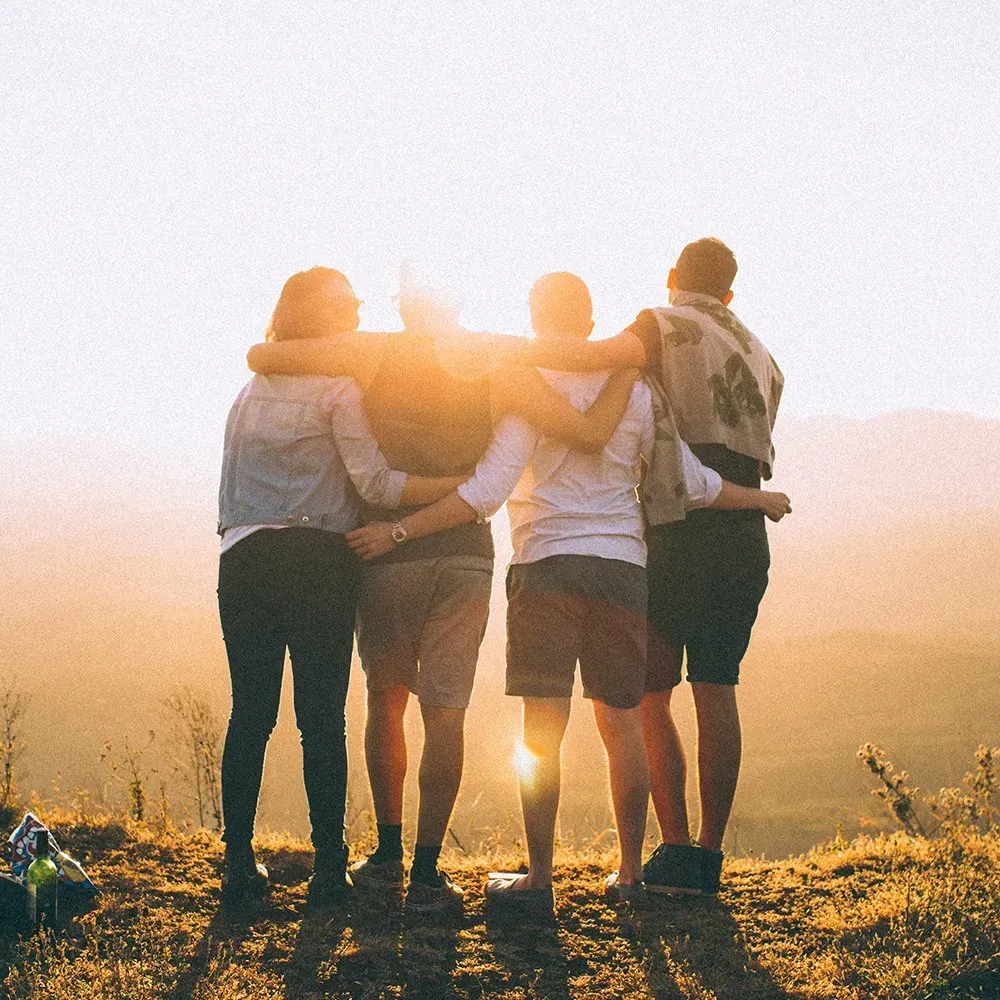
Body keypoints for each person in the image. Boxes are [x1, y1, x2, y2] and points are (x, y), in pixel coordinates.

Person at [347, 271, 789, 913]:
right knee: (623, 727)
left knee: (541, 732)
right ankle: (632, 875)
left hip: (546, 567)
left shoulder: (526, 385)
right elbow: (692, 481)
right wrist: (761, 499)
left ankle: (540, 879)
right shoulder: (636, 389)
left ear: (534, 317)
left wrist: (399, 530)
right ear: (590, 322)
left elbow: (487, 490)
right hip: (623, 572)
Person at [245, 266, 639, 914]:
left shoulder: (374, 351)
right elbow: (565, 379)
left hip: (384, 553)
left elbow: (272, 355)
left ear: (404, 306)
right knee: (446, 713)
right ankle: (428, 875)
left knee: (385, 699)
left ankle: (386, 855)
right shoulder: (495, 357)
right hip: (465, 556)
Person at [493, 239, 786, 896]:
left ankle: (673, 851)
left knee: (648, 696)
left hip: (675, 524)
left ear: (674, 277)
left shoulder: (661, 325)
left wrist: (495, 353)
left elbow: (591, 358)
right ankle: (706, 859)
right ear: (731, 294)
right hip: (740, 530)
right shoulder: (764, 355)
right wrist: (759, 499)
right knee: (718, 689)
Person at [216, 267, 461, 908]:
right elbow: (377, 486)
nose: (357, 309)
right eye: (346, 302)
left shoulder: (249, 390)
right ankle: (329, 870)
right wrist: (455, 488)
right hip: (319, 560)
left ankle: (238, 864)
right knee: (321, 721)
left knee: (250, 715)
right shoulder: (340, 390)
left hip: (243, 559)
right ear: (322, 318)